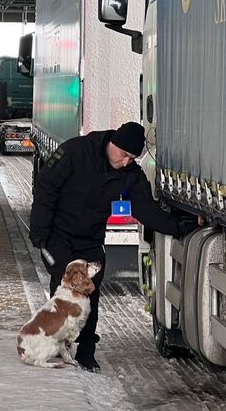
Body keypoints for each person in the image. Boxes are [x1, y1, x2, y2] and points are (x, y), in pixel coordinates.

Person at [28, 121, 199, 372]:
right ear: (112, 144)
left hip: (90, 240)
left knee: (90, 295)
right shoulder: (77, 152)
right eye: (123, 155)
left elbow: (146, 210)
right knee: (64, 290)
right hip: (57, 234)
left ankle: (86, 352)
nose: (126, 162)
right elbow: (46, 187)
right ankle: (54, 343)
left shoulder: (130, 175)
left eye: (132, 158)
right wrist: (40, 233)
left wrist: (181, 225)